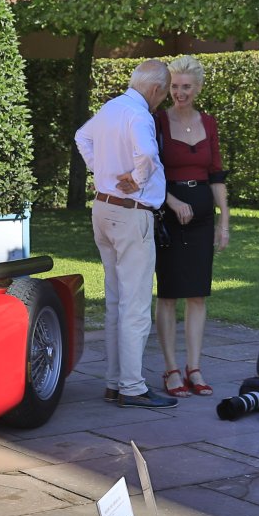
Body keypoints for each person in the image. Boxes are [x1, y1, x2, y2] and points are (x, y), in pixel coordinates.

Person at [74, 60, 176, 408]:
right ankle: (132, 387)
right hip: (131, 213)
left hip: (103, 209)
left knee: (116, 301)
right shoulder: (139, 115)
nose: (161, 101)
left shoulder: (111, 107)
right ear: (156, 89)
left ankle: (114, 382)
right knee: (135, 305)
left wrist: (99, 168)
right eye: (163, 94)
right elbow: (146, 153)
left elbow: (81, 137)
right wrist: (138, 178)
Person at [153, 56, 230, 398]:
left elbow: (216, 174)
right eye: (174, 86)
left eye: (186, 86)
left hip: (201, 219)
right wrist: (171, 200)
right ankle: (171, 369)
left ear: (197, 88)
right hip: (168, 217)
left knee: (197, 294)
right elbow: (150, 170)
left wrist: (224, 220)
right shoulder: (157, 120)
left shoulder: (209, 123)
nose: (179, 93)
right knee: (169, 293)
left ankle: (194, 368)